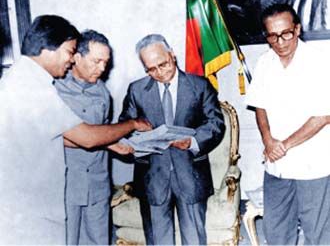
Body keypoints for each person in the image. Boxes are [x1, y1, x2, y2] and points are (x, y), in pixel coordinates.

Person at [0, 15, 151, 245]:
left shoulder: (28, 80)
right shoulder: (35, 88)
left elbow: (78, 134)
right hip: (46, 193)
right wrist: (131, 124)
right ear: (51, 49)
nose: (70, 60)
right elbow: (85, 137)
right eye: (70, 52)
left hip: (91, 184)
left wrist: (109, 141)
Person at [119, 34, 225, 245]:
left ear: (172, 55)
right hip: (152, 177)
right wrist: (138, 136)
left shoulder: (200, 85)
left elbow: (216, 124)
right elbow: (124, 127)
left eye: (163, 64)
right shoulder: (137, 90)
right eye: (151, 69)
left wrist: (193, 142)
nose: (159, 73)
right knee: (158, 240)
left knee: (194, 238)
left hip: (190, 174)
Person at [246, 3, 330, 245]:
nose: (280, 42)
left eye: (286, 34)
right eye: (272, 36)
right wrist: (267, 140)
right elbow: (259, 105)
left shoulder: (319, 62)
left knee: (318, 234)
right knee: (276, 231)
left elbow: (323, 115)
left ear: (298, 29)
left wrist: (283, 144)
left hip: (312, 165)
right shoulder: (265, 62)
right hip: (276, 165)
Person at [55, 29, 130, 245]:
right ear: (77, 58)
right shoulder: (56, 89)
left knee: (98, 240)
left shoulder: (102, 93)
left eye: (105, 62)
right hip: (68, 182)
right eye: (96, 61)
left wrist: (112, 143)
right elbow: (49, 137)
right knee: (66, 239)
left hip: (97, 181)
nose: (102, 68)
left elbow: (101, 131)